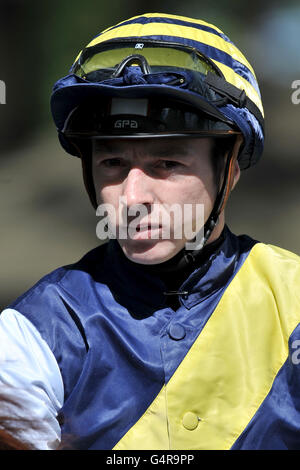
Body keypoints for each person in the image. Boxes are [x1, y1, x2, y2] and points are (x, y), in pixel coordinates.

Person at [1, 12, 300, 451]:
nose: (132, 196)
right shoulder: (35, 329)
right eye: (112, 163)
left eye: (168, 164)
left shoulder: (293, 300)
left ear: (230, 166)